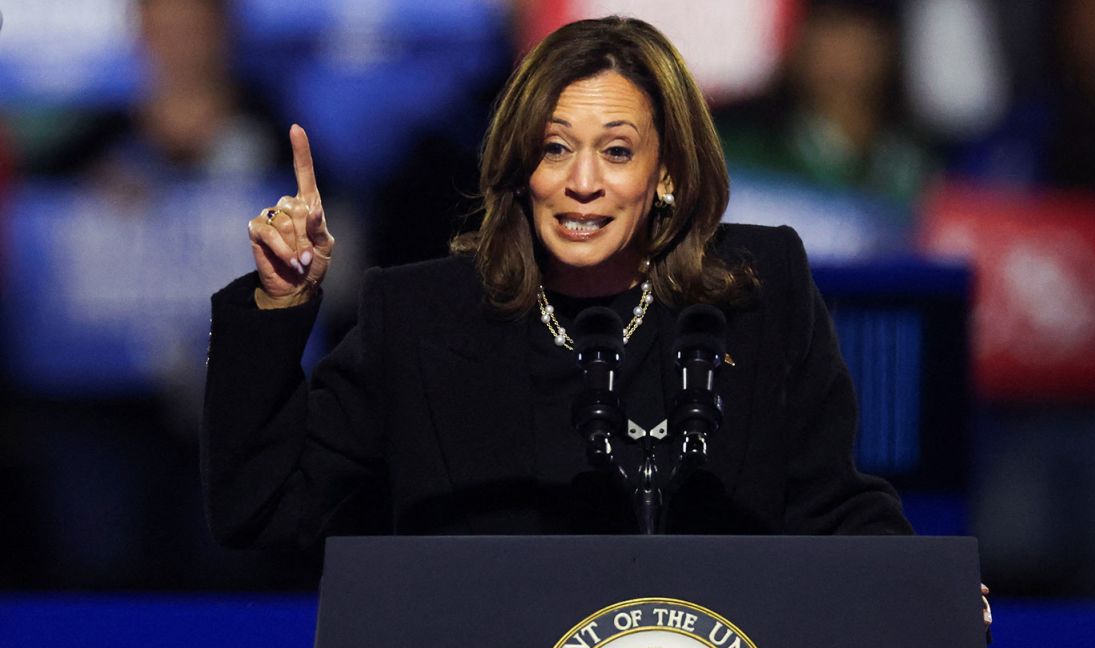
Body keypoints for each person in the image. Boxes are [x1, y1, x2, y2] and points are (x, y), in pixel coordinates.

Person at [200, 16, 913, 551]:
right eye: (555, 148)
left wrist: (924, 592)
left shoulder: (753, 292)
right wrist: (280, 302)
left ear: (666, 172)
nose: (581, 183)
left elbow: (830, 504)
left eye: (617, 151)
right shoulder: (422, 316)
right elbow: (263, 508)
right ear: (521, 165)